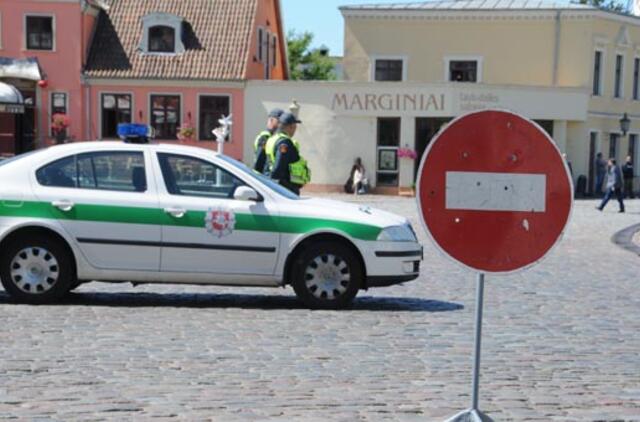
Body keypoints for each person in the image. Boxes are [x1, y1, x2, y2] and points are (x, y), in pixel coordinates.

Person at [265, 112, 310, 195]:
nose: (295, 130)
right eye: (295, 127)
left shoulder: (272, 139)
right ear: (290, 127)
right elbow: (278, 167)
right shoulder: (284, 142)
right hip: (285, 187)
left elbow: (267, 165)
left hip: (277, 184)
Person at [254, 108, 284, 173]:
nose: (281, 124)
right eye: (279, 121)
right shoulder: (265, 137)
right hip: (263, 176)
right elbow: (260, 160)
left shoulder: (273, 137)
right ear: (271, 120)